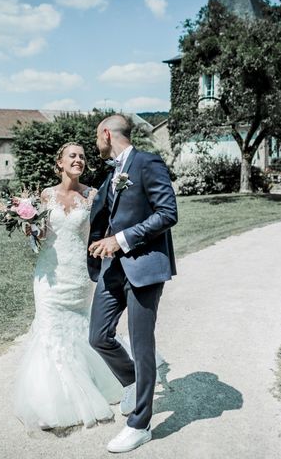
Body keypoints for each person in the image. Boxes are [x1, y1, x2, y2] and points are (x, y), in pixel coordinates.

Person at [13, 142, 124, 431]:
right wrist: (29, 226)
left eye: (82, 157)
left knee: (80, 331)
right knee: (50, 333)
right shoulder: (44, 195)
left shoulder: (93, 195)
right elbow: (38, 236)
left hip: (80, 277)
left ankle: (96, 384)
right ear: (59, 163)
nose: (78, 160)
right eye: (72, 156)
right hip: (49, 278)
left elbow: (103, 230)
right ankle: (51, 404)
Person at [88, 114, 178, 453]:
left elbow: (168, 212)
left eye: (97, 136)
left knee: (142, 346)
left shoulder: (147, 163)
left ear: (107, 134)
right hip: (113, 267)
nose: (96, 142)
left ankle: (140, 425)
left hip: (143, 268)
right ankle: (132, 381)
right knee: (98, 335)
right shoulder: (111, 171)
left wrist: (121, 239)